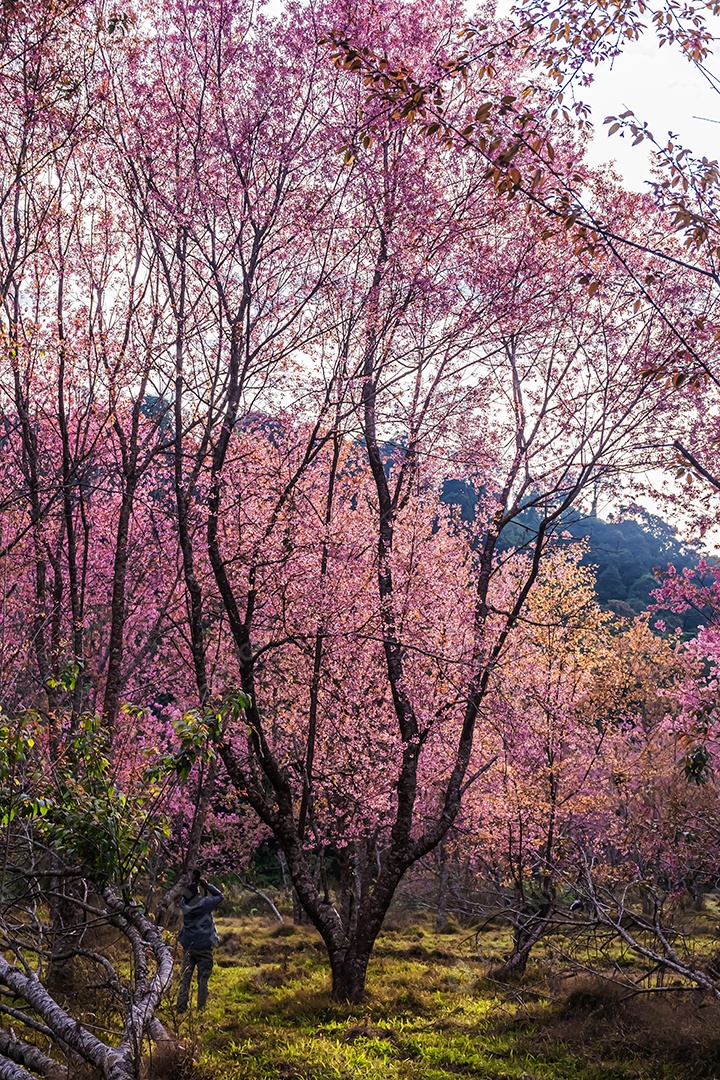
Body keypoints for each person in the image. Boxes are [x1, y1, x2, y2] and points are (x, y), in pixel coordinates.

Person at [176, 870, 223, 1012]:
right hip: (204, 947)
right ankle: (200, 1008)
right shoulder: (205, 904)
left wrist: (194, 886)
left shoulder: (184, 905)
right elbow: (220, 896)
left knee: (185, 978)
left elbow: (185, 896)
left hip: (189, 946)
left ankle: (181, 1008)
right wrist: (206, 885)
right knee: (203, 978)